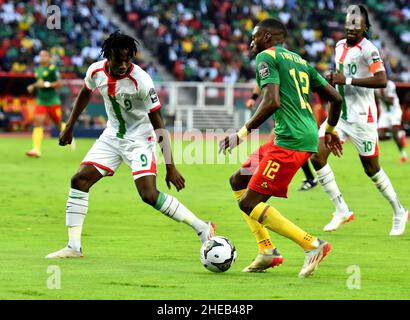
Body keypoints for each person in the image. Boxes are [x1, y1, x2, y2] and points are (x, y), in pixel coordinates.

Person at [45, 32, 215, 259]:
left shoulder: (142, 80)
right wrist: (69, 125)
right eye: (119, 60)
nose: (124, 65)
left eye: (128, 59)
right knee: (79, 180)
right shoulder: (95, 71)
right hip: (112, 136)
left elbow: (158, 123)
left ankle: (202, 227)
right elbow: (85, 93)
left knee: (148, 195)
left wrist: (170, 165)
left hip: (140, 140)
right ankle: (74, 246)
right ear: (108, 57)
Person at [219, 18, 343, 277]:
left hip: (291, 142)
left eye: (254, 36)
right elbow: (336, 97)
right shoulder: (300, 60)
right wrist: (329, 130)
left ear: (266, 36)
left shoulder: (266, 56)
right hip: (289, 136)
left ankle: (312, 244)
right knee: (238, 181)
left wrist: (241, 134)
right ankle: (267, 251)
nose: (251, 42)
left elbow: (272, 101)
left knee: (249, 202)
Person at [310, 5, 408, 236]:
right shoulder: (339, 46)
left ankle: (399, 210)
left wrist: (348, 80)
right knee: (316, 155)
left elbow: (382, 80)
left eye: (356, 24)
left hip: (363, 119)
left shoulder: (369, 50)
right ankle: (342, 209)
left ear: (365, 27)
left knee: (372, 169)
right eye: (348, 23)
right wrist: (332, 80)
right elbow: (340, 76)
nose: (351, 27)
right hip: (340, 115)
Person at [246, 86, 318, 191]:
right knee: (289, 148)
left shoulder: (277, 73)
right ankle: (310, 178)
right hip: (287, 118)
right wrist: (253, 98)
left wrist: (254, 98)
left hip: (292, 119)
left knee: (272, 145)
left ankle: (258, 177)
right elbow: (259, 84)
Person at [26, 50, 73, 157]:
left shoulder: (53, 68)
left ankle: (69, 136)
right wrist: (33, 86)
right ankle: (36, 149)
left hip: (52, 101)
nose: (42, 57)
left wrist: (46, 84)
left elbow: (59, 83)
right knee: (38, 122)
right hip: (41, 101)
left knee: (58, 124)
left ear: (49, 58)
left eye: (44, 55)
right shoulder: (37, 69)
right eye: (40, 55)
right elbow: (39, 82)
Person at [376, 77, 407, 163]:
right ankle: (400, 135)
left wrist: (379, 95)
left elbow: (390, 101)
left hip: (395, 111)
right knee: (379, 136)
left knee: (394, 131)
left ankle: (403, 155)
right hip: (385, 113)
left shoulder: (390, 85)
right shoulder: (375, 85)